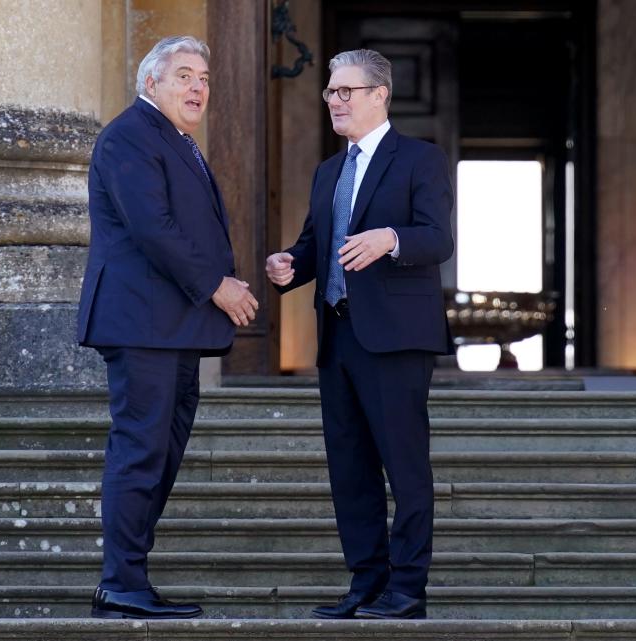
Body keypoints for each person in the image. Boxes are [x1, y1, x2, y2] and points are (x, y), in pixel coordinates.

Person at [266, 48, 454, 620]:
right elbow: (315, 247)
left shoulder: (420, 159)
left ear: (380, 96)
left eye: (346, 91)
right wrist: (289, 266)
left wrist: (390, 239)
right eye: (330, 92)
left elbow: (438, 239)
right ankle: (366, 583)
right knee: (349, 469)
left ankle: (407, 590)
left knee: (405, 467)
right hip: (338, 335)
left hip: (397, 338)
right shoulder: (329, 170)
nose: (334, 101)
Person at [78, 35, 258, 619]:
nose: (198, 87)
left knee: (162, 452)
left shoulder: (173, 139)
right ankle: (121, 581)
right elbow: (153, 229)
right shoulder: (130, 134)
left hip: (174, 328)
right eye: (184, 76)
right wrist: (218, 286)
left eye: (204, 78)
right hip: (142, 325)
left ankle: (130, 575)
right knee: (140, 451)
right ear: (150, 83)